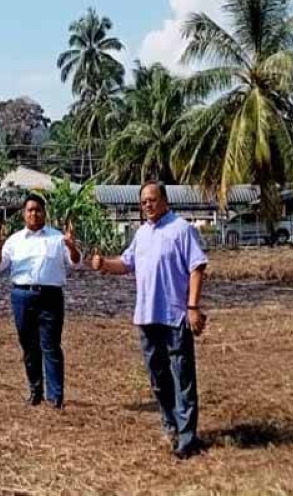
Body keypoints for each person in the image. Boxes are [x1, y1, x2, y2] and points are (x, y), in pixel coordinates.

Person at [90, 181, 208, 458]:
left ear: (164, 200)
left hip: (175, 315)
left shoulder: (181, 229)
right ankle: (170, 425)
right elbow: (127, 263)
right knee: (158, 376)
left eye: (152, 200)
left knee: (182, 377)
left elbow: (197, 268)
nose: (148, 206)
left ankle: (187, 438)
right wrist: (105, 265)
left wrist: (192, 306)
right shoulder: (141, 233)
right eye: (143, 202)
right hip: (147, 315)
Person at [0, 193, 81, 409]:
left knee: (50, 345)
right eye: (30, 210)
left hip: (50, 296)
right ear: (24, 214)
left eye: (38, 210)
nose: (34, 213)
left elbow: (76, 263)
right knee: (29, 346)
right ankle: (35, 392)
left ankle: (55, 397)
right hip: (22, 296)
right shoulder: (14, 240)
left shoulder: (57, 238)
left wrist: (71, 246)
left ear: (44, 213)